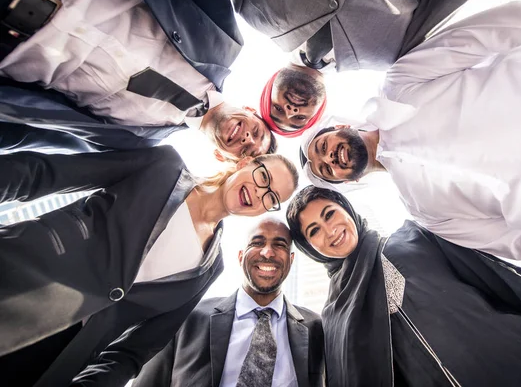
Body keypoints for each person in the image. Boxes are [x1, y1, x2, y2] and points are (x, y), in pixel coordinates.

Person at [301, 1, 521, 276]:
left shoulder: (400, 84)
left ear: (339, 126)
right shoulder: (425, 214)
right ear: (349, 181)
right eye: (327, 170)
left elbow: (491, 33)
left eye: (322, 146)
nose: (329, 158)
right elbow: (516, 242)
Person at [0, 146, 298, 387]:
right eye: (263, 177)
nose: (260, 193)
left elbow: (135, 351)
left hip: (53, 355)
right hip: (19, 275)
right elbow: (45, 174)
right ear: (244, 162)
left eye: (271, 198)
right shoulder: (163, 165)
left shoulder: (210, 268)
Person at [286, 185, 521, 387]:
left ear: (347, 210)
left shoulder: (413, 236)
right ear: (310, 247)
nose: (330, 230)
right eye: (314, 230)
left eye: (330, 214)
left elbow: (500, 278)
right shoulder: (335, 315)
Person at [0, 0, 275, 160]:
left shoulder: (135, 144)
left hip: (10, 43)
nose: (247, 138)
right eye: (258, 133)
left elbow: (36, 132)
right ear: (252, 111)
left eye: (246, 151)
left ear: (220, 156)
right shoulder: (225, 44)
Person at [231, 0, 494, 134]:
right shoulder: (392, 55)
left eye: (278, 109)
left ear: (269, 88)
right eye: (299, 118)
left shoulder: (253, 12)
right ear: (319, 109)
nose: (290, 110)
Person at [133, 217, 325, 387]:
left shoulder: (316, 328)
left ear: (291, 260)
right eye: (257, 243)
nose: (268, 253)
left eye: (280, 245)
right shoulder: (186, 317)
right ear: (240, 256)